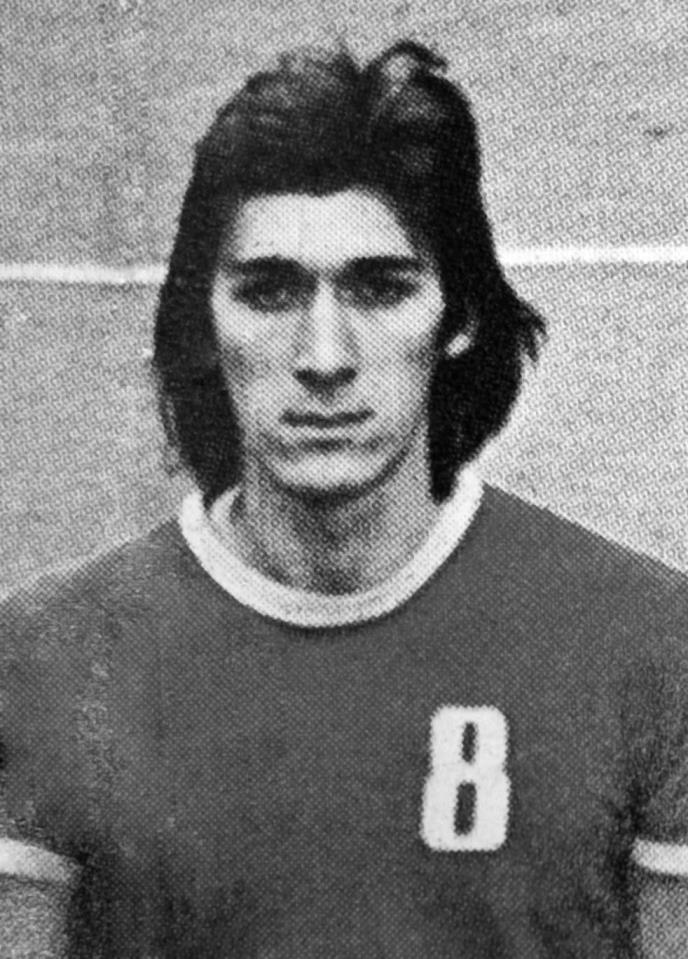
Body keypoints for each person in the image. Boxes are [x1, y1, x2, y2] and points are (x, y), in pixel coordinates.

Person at [1, 40, 687, 958]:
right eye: (270, 291)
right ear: (205, 320)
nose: (324, 355)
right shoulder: (42, 657)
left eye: (380, 287)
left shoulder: (650, 643)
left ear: (459, 316)